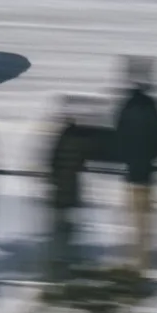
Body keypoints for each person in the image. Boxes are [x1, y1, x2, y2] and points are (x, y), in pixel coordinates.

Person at [111, 56, 157, 282]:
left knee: (131, 219)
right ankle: (143, 263)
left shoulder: (126, 106)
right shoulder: (152, 106)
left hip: (132, 173)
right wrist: (152, 157)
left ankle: (133, 261)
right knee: (144, 222)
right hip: (147, 172)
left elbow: (117, 135)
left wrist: (127, 158)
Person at [47, 96, 97, 282]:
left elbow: (52, 164)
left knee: (61, 229)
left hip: (60, 191)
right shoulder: (76, 140)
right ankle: (65, 263)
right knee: (67, 229)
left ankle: (61, 261)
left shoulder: (61, 140)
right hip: (69, 191)